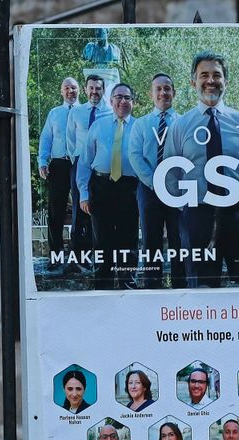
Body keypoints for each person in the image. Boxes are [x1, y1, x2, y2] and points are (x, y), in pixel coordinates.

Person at [164, 52, 239, 288]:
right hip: (197, 215)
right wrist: (187, 208)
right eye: (204, 75)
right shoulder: (180, 126)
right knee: (201, 289)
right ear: (193, 82)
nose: (211, 80)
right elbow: (170, 175)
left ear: (225, 81)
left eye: (217, 75)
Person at [77, 82, 140, 289]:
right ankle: (101, 288)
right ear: (111, 100)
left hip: (129, 189)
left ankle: (127, 285)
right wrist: (84, 194)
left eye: (127, 98)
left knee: (128, 240)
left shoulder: (140, 128)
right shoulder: (98, 126)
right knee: (101, 240)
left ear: (133, 102)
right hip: (100, 186)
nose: (123, 101)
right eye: (119, 97)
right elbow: (85, 162)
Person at [128, 72, 185, 289]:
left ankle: (181, 287)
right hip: (149, 189)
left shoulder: (184, 123)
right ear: (152, 94)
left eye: (167, 89)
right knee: (151, 241)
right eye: (158, 89)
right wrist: (155, 182)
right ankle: (153, 287)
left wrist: (176, 185)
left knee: (179, 241)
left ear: (174, 92)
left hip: (178, 191)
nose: (163, 93)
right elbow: (135, 155)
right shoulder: (141, 125)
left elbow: (190, 156)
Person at [36, 77, 82, 261]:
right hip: (59, 164)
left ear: (79, 90)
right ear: (61, 91)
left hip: (79, 164)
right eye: (67, 88)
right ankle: (55, 255)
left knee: (82, 209)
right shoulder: (54, 113)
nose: (70, 91)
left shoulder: (85, 112)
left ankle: (79, 254)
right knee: (56, 210)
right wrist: (42, 161)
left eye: (74, 87)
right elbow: (46, 138)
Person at [69, 74, 110, 258]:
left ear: (103, 90)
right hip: (81, 163)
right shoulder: (76, 112)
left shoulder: (110, 112)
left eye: (98, 88)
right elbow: (71, 140)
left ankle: (98, 255)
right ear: (85, 90)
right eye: (91, 88)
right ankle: (79, 257)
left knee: (100, 210)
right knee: (79, 210)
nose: (94, 92)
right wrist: (77, 160)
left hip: (100, 168)